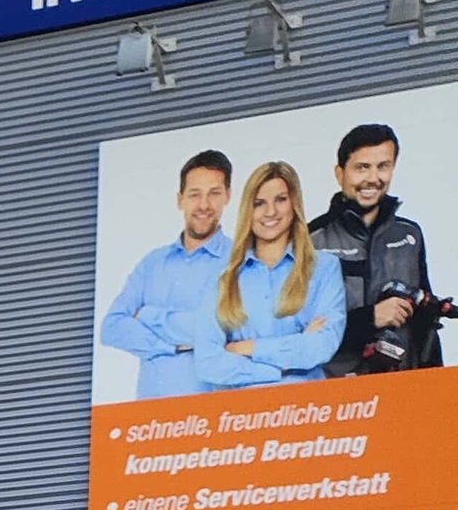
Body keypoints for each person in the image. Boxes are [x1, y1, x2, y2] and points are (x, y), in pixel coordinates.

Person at [185, 160, 345, 387]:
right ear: (248, 211)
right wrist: (280, 366)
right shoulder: (223, 277)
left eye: (280, 200)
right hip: (244, 416)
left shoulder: (324, 268)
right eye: (259, 203)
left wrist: (246, 348)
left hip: (309, 411)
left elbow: (321, 347)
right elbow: (208, 363)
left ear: (294, 204)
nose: (270, 212)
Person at [99, 148, 233, 396]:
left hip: (212, 418)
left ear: (227, 195)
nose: (204, 205)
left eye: (214, 193)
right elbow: (112, 327)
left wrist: (149, 316)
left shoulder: (239, 260)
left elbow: (227, 331)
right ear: (179, 199)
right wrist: (168, 347)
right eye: (194, 194)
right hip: (150, 423)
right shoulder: (152, 263)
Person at [311, 122, 439, 372]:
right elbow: (299, 335)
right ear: (340, 173)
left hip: (402, 390)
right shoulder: (310, 239)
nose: (373, 178)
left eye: (383, 166)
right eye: (362, 168)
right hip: (338, 395)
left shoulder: (410, 234)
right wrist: (370, 319)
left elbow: (425, 322)